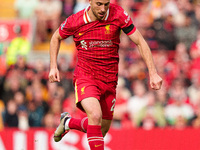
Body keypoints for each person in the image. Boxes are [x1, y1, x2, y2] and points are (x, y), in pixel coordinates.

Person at [48, 0, 162, 149]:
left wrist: (153, 73)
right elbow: (55, 37)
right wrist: (53, 66)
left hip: (109, 80)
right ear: (90, 1)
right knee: (95, 116)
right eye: (99, 4)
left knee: (100, 131)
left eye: (106, 4)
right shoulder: (76, 20)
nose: (103, 9)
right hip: (86, 76)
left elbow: (140, 41)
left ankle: (68, 122)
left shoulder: (118, 15)